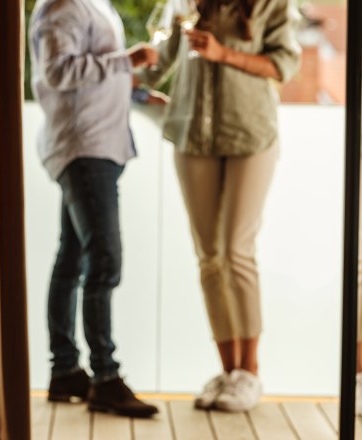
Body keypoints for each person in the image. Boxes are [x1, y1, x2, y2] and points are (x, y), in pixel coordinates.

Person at [137, 0, 301, 412]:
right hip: (193, 135)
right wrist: (119, 72)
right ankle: (229, 372)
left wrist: (222, 53)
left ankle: (250, 372)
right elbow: (160, 61)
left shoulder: (271, 4)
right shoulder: (186, 3)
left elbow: (283, 64)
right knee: (209, 257)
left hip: (250, 134)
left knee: (235, 251)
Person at [29, 0, 164, 418]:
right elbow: (57, 71)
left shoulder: (92, 4)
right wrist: (127, 60)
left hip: (95, 145)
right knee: (104, 261)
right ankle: (105, 378)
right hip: (84, 148)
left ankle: (66, 371)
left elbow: (94, 77)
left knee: (71, 260)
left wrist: (136, 91)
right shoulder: (63, 7)